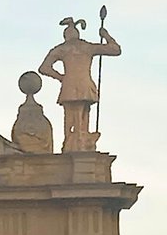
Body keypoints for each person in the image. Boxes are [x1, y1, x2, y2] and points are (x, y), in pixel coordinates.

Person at [37, 17, 120, 151]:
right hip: (85, 85)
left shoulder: (62, 49)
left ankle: (72, 143)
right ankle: (81, 142)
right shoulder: (87, 47)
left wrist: (61, 77)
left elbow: (44, 68)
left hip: (69, 86)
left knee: (69, 119)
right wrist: (106, 35)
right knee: (83, 116)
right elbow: (115, 49)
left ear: (66, 36)